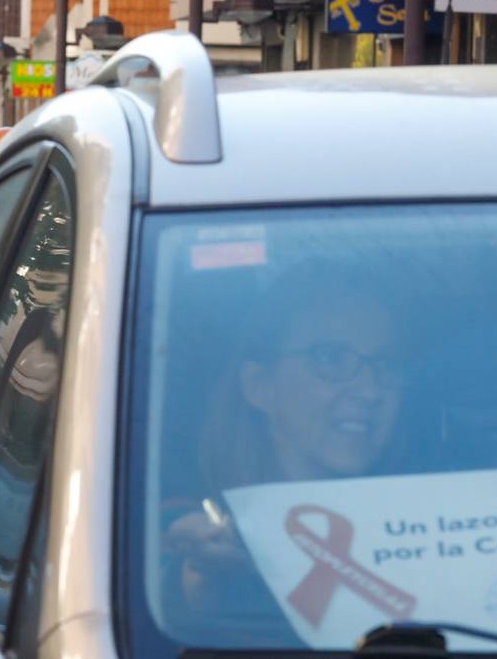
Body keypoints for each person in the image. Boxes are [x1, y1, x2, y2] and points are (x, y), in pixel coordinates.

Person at [162, 264, 407, 630]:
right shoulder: (197, 532)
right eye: (331, 358)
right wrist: (202, 571)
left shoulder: (431, 531)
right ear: (259, 385)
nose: (370, 390)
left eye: (385, 364)